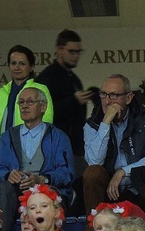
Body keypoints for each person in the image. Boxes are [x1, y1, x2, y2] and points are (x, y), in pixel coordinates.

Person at [0, 86, 75, 231]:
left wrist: (42, 180)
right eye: (21, 102)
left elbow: (67, 173)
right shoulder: (7, 137)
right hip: (16, 193)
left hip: (47, 190)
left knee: (45, 195)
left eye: (30, 102)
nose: (24, 106)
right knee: (3, 189)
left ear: (43, 107)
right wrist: (8, 175)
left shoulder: (58, 137)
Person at [83, 74, 145, 214]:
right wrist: (105, 123)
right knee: (92, 172)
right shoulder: (93, 124)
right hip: (108, 190)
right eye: (103, 94)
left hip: (138, 187)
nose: (107, 101)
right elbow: (94, 161)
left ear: (128, 98)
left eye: (113, 95)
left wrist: (123, 171)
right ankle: (94, 228)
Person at [0, 45, 54, 159]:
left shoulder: (40, 89)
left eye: (22, 64)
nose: (17, 67)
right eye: (13, 63)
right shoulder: (2, 92)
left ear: (32, 67)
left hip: (29, 153)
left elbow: (46, 119)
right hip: (3, 153)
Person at [35, 29, 94, 172]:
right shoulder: (46, 78)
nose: (76, 56)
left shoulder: (73, 79)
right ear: (59, 50)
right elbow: (39, 113)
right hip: (55, 149)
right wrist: (73, 101)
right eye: (72, 51)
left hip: (75, 148)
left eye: (79, 52)